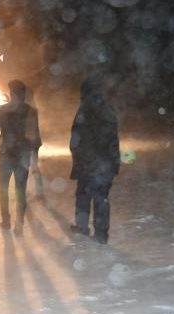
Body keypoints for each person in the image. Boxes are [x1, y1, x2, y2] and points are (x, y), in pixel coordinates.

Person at [0, 80, 42, 235]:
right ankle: (19, 223)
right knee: (20, 190)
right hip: (22, 156)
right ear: (23, 94)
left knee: (3, 189)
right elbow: (36, 138)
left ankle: (6, 221)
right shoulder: (31, 111)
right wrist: (35, 158)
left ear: (11, 93)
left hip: (5, 155)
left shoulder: (3, 110)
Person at [69, 77, 120, 244]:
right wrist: (114, 162)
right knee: (102, 198)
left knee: (83, 196)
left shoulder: (84, 110)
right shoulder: (108, 110)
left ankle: (83, 228)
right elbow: (114, 139)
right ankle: (101, 234)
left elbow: (75, 140)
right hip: (106, 165)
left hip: (87, 164)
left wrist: (77, 159)